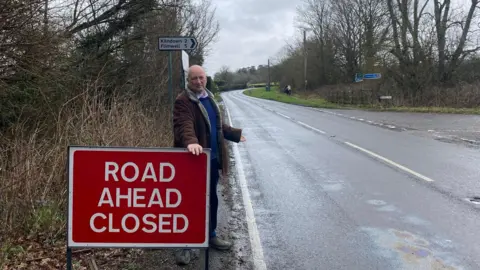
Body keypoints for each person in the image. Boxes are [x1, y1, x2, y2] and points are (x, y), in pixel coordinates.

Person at [172, 65, 246, 265]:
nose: (198, 81)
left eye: (201, 77)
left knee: (211, 199)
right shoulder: (183, 101)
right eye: (194, 78)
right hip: (191, 161)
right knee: (188, 202)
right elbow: (183, 125)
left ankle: (210, 234)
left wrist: (235, 135)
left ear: (206, 78)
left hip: (211, 161)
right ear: (189, 80)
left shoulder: (209, 98)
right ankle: (184, 244)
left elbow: (216, 125)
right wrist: (191, 142)